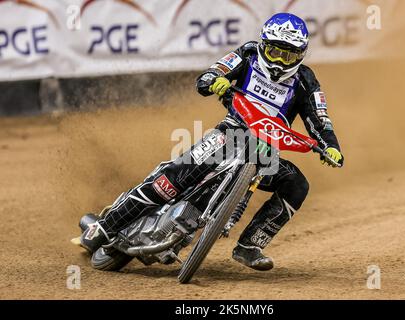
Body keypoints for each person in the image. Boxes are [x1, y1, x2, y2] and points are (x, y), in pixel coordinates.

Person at [80, 13, 344, 271]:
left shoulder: (306, 81)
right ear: (264, 45)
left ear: (301, 55)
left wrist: (331, 146)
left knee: (297, 183)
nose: (280, 62)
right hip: (229, 133)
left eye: (289, 55)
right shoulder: (248, 53)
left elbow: (320, 119)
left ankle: (250, 245)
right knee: (170, 181)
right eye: (275, 52)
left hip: (265, 153)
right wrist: (214, 81)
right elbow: (211, 74)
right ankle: (105, 226)